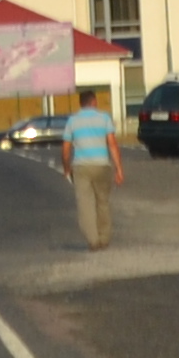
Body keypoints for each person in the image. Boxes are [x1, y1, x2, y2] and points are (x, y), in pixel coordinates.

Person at [63, 91, 118, 248]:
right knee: (103, 202)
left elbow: (66, 149)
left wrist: (67, 168)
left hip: (81, 167)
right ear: (94, 101)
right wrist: (119, 168)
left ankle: (93, 240)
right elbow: (112, 145)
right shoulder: (104, 118)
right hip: (102, 165)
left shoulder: (72, 121)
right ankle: (104, 237)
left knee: (85, 204)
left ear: (81, 103)